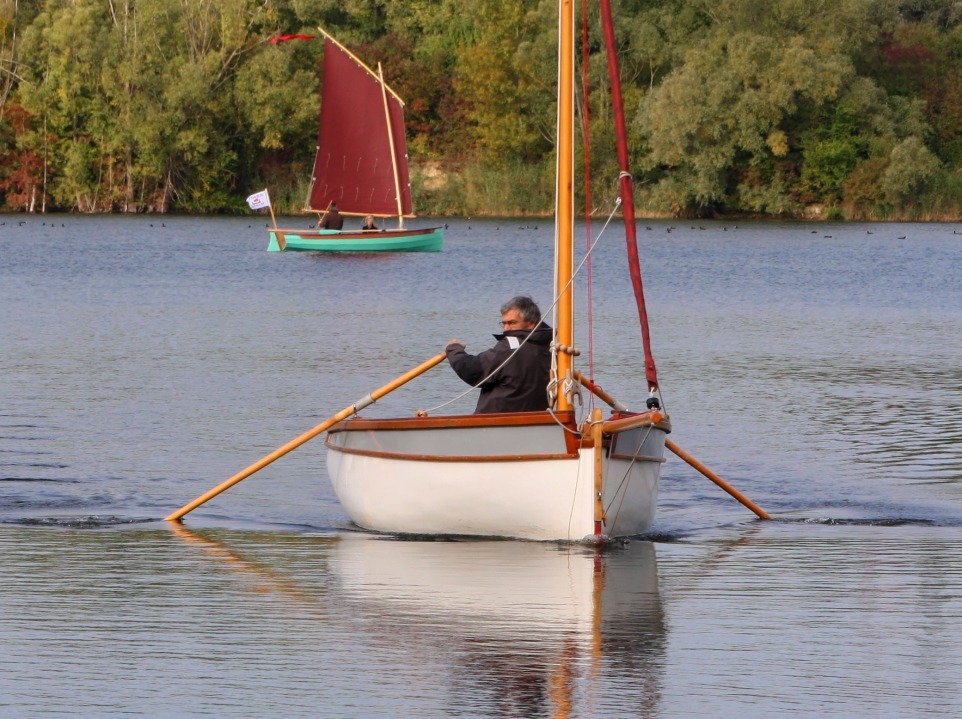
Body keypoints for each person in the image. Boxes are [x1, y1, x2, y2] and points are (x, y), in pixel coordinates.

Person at [446, 295, 552, 414]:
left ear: (531, 324)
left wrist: (454, 349)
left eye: (512, 323)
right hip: (536, 422)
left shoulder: (511, 346)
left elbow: (472, 370)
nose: (506, 329)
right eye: (504, 323)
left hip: (497, 423)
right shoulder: (550, 346)